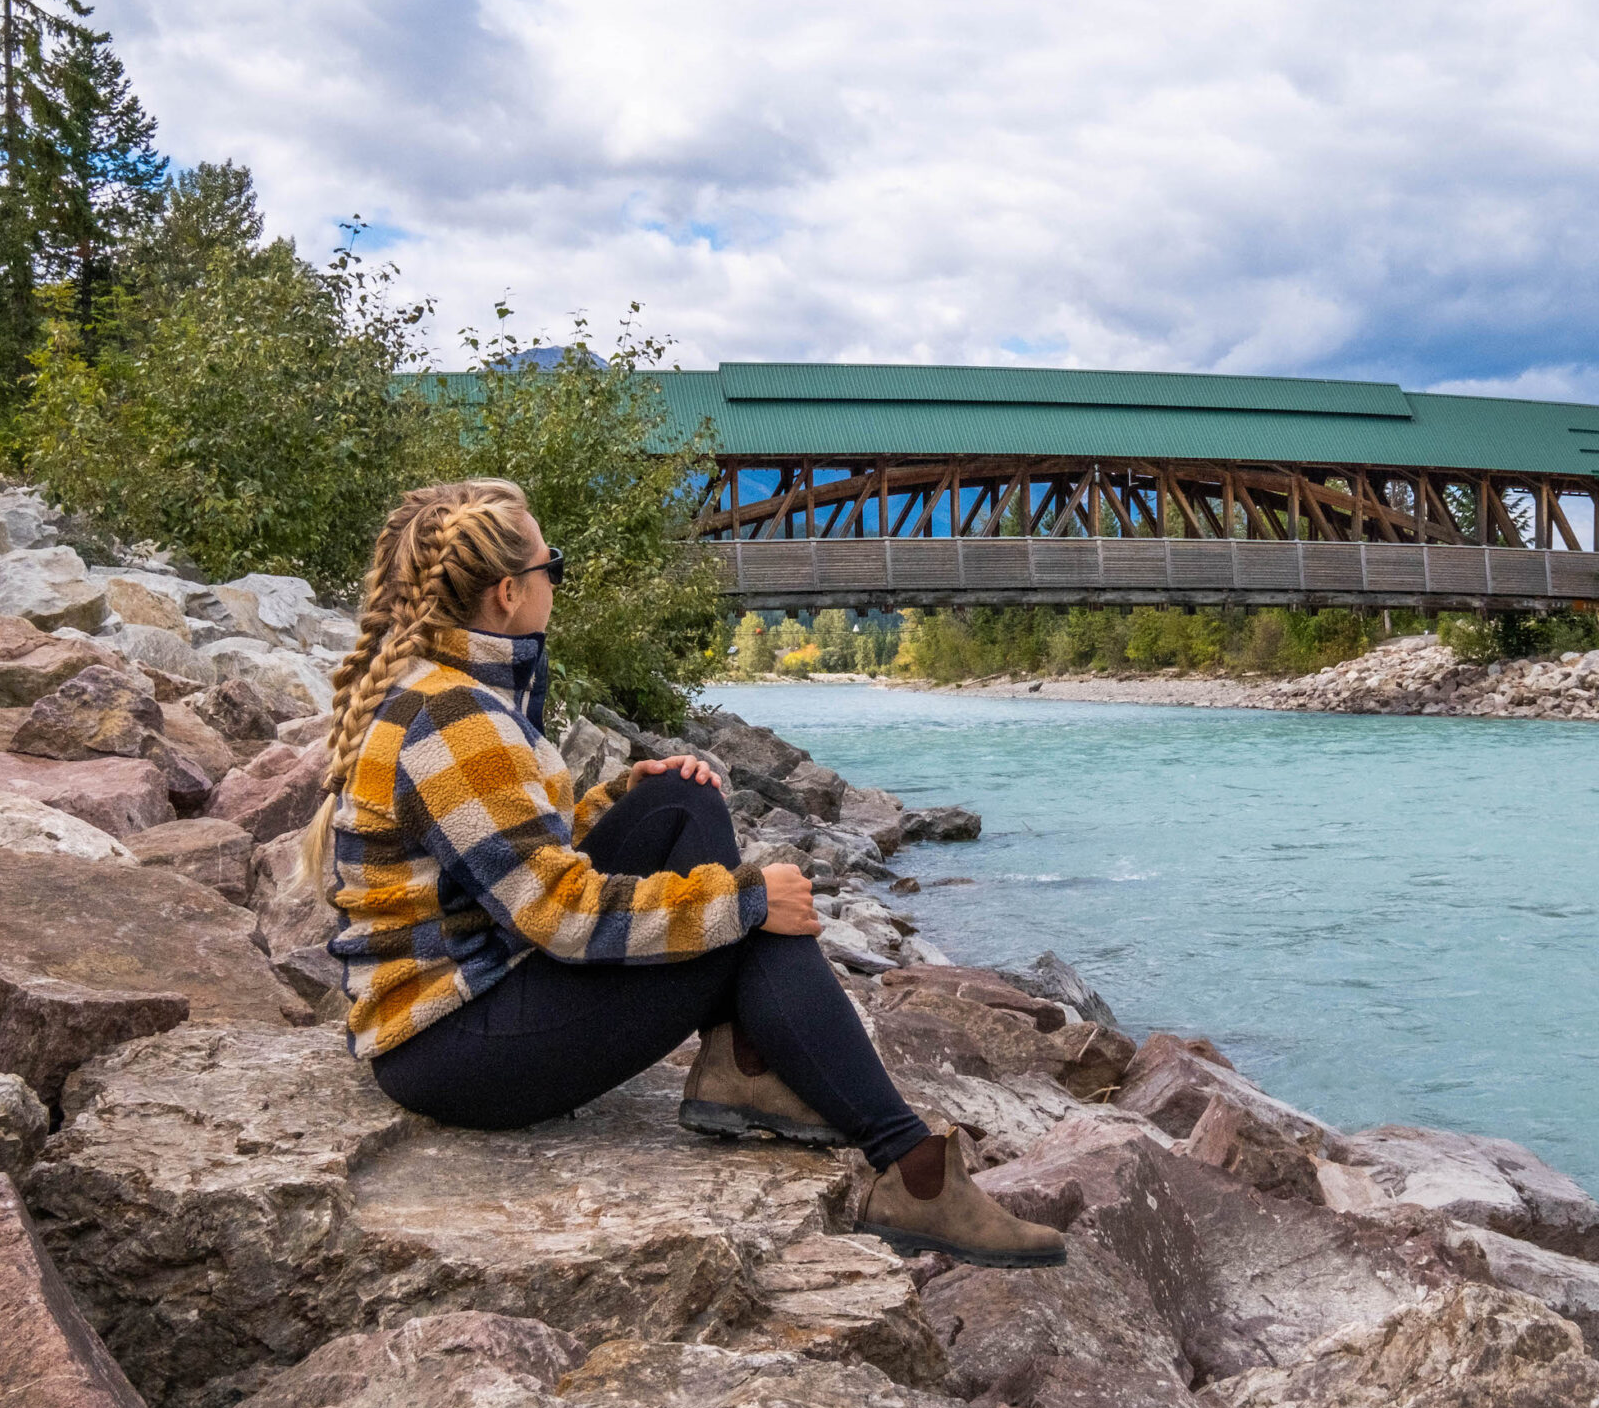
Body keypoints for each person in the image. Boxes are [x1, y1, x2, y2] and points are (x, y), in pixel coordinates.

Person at [294, 477, 1062, 1268]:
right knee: (738, 923)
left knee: (677, 802)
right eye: (553, 565)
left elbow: (497, 864)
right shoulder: (455, 714)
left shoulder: (453, 689)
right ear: (508, 593)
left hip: (471, 998)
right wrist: (748, 898)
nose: (558, 579)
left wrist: (625, 799)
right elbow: (558, 913)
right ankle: (908, 1165)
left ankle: (746, 1065)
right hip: (452, 1051)